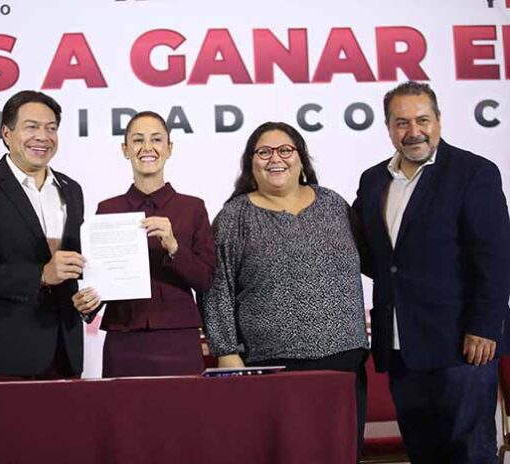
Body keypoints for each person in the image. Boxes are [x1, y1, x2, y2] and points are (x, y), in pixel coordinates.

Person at [352, 81, 510, 463]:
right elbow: (370, 253)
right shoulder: (373, 180)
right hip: (401, 347)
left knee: (469, 455)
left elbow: (494, 256)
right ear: (388, 127)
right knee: (423, 454)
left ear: (438, 120)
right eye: (401, 122)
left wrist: (485, 327)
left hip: (463, 345)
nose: (414, 131)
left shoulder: (474, 172)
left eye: (422, 120)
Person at [202, 122, 368, 449]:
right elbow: (216, 288)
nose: (275, 158)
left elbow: (371, 258)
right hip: (271, 364)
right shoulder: (234, 217)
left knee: (341, 451)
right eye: (264, 152)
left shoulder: (334, 205)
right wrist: (227, 352)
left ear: (301, 159)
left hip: (344, 360)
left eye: (285, 150)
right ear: (251, 163)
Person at [0, 90, 86, 380]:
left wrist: (92, 295)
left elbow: (77, 264)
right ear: (7, 133)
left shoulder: (71, 189)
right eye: (32, 127)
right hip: (7, 352)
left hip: (66, 349)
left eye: (51, 128)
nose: (43, 137)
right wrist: (41, 275)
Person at [72, 111, 215, 377]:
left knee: (184, 404)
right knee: (122, 405)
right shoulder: (107, 209)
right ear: (125, 150)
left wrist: (174, 247)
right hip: (123, 337)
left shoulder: (192, 208)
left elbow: (205, 279)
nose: (147, 147)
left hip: (178, 335)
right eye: (138, 140)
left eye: (156, 139)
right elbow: (101, 278)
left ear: (169, 148)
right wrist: (88, 303)